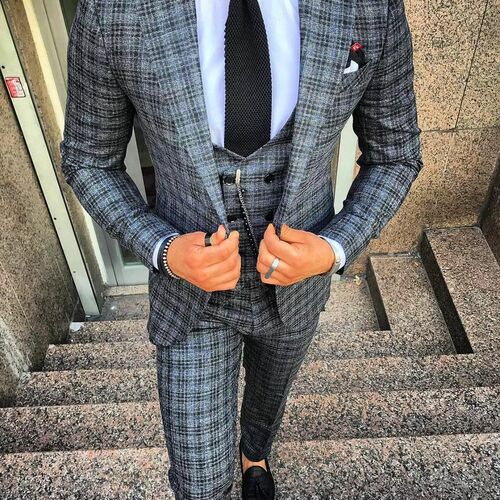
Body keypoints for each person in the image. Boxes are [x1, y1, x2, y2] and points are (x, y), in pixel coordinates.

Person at [60, 0, 423, 498]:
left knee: (269, 398)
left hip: (297, 285)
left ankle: (255, 451)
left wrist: (334, 248)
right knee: (199, 484)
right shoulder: (111, 11)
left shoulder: (370, 7)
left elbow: (395, 154)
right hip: (191, 297)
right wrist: (163, 249)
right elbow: (88, 159)